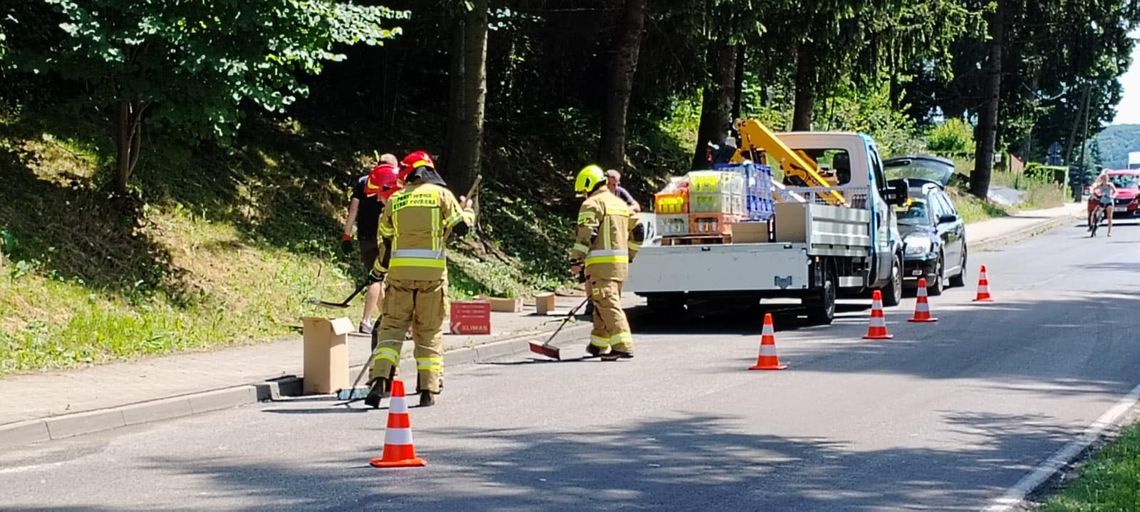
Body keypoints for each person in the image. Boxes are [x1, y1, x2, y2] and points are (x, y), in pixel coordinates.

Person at [364, 150, 475, 408]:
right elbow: (462, 228)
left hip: (400, 278)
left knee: (390, 331)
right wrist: (468, 211)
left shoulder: (396, 200)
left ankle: (380, 381)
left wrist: (378, 272)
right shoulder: (442, 196)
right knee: (429, 333)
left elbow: (387, 246)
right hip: (432, 280)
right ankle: (427, 390)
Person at [570, 165, 644, 361]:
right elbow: (639, 231)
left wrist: (576, 260)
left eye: (584, 191)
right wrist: (629, 255)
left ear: (589, 185)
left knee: (607, 303)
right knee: (601, 303)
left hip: (601, 267)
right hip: (619, 267)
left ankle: (622, 345)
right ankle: (599, 344)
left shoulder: (592, 204)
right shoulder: (619, 204)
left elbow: (586, 234)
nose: (584, 195)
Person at [342, 153, 400, 334]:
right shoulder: (396, 182)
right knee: (378, 279)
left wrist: (346, 235)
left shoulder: (363, 182)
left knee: (376, 278)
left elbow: (353, 209)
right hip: (387, 238)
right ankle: (367, 320)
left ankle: (387, 320)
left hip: (366, 236)